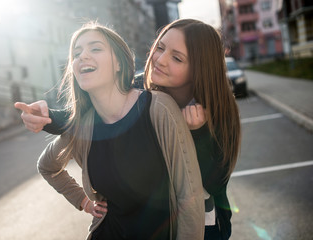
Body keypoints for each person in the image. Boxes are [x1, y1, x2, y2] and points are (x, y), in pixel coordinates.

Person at [16, 19, 241, 240]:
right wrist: (49, 117)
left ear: (199, 68)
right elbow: (97, 108)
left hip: (205, 219)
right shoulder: (140, 88)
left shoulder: (217, 111)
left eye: (177, 58)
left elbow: (211, 182)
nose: (160, 60)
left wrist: (196, 133)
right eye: (160, 48)